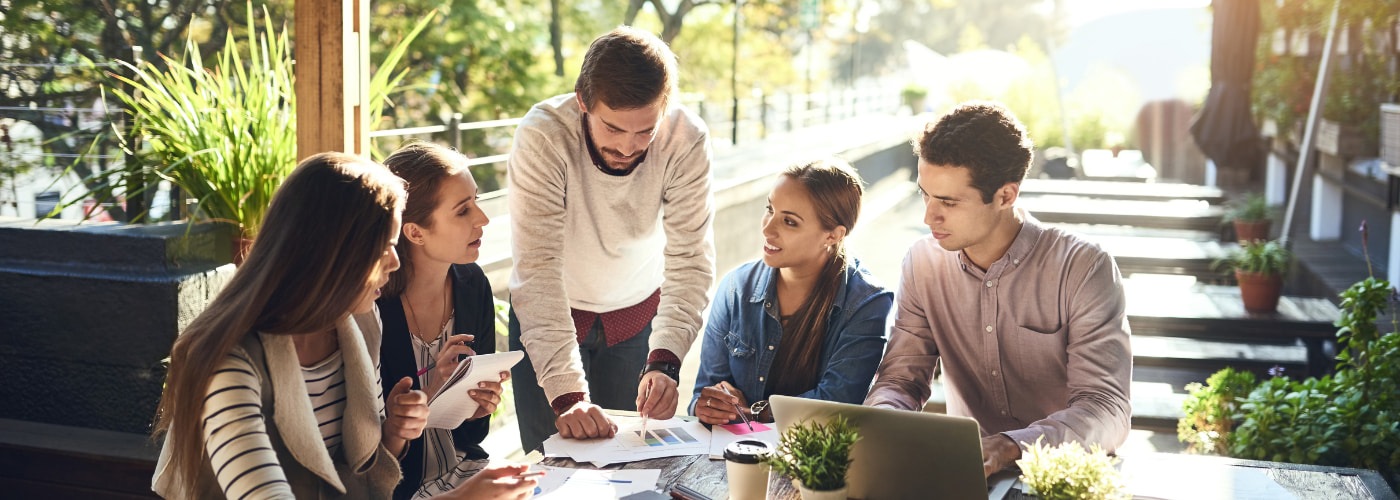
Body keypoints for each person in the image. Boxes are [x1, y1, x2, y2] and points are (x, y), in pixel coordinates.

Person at [150, 152, 537, 499]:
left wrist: (403, 427)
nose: (396, 262)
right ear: (336, 253)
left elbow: (367, 476)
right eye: (385, 246)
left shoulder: (360, 327)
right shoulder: (230, 365)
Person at [862, 102, 1132, 478]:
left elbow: (1106, 408)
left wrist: (1009, 447)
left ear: (1006, 196)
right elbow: (901, 380)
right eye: (925, 194)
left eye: (948, 202)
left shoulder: (1082, 266)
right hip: (964, 476)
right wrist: (883, 424)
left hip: (1062, 476)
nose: (928, 217)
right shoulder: (923, 262)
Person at [507, 26, 715, 453]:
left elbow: (690, 260)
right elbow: (538, 269)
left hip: (638, 319)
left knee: (626, 466)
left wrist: (666, 361)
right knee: (549, 467)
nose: (628, 147)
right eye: (614, 128)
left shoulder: (686, 139)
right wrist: (567, 396)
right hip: (550, 315)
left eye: (645, 131)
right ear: (583, 101)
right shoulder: (544, 134)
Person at [692, 159, 892, 425]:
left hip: (816, 457)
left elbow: (838, 403)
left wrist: (755, 412)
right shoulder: (735, 287)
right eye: (769, 209)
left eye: (789, 221)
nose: (767, 228)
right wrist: (708, 406)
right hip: (733, 452)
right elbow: (703, 392)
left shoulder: (866, 303)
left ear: (832, 235)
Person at [378, 142, 513, 499]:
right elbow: (370, 457)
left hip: (466, 471)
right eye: (462, 210)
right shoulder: (372, 308)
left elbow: (472, 436)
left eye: (476, 201)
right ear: (415, 232)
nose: (482, 218)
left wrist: (476, 408)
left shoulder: (472, 285)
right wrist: (432, 389)